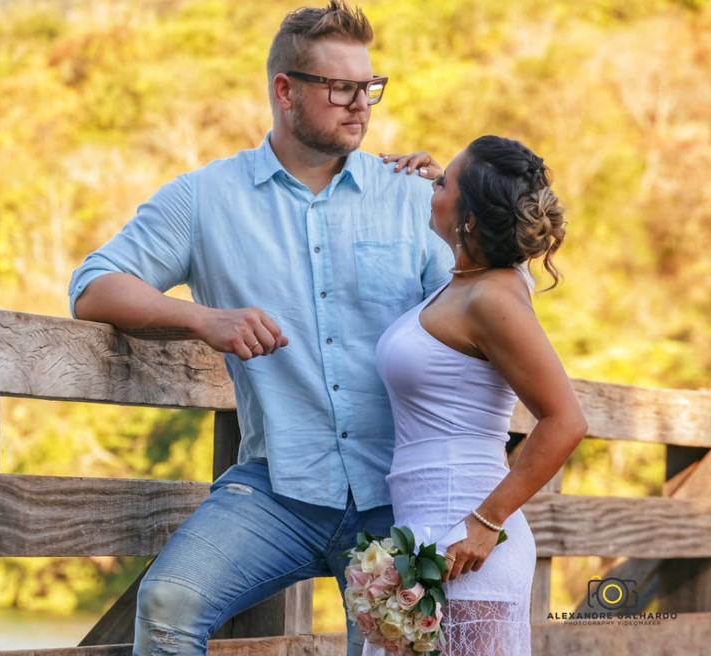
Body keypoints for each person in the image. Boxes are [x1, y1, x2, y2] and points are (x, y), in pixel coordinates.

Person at [68, 2, 453, 653]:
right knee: (167, 604)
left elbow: (493, 312)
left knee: (396, 647)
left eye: (370, 88)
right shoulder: (205, 199)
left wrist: (460, 196)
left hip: (400, 499)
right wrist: (201, 319)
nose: (362, 104)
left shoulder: (415, 195)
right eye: (342, 88)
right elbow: (94, 285)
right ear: (285, 91)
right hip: (278, 492)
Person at [368, 135, 588, 655]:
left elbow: (566, 420)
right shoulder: (476, 282)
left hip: (467, 540)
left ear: (470, 218)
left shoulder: (492, 297)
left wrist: (487, 522)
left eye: (443, 185)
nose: (432, 189)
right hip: (425, 526)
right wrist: (446, 182)